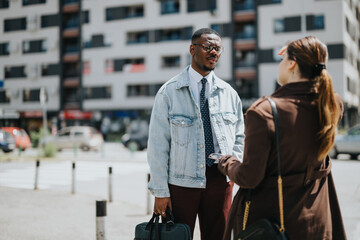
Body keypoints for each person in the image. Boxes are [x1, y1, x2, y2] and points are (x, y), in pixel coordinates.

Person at [217, 36, 347, 240]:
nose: (281, 64)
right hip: (318, 219)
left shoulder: (264, 112)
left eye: (283, 59)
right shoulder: (331, 104)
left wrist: (227, 162)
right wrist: (310, 54)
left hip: (276, 225)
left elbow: (249, 177)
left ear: (292, 64)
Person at [147, 28, 245, 240]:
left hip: (220, 180)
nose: (214, 52)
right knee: (178, 236)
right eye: (208, 47)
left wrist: (234, 171)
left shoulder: (230, 93)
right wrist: (160, 191)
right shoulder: (169, 92)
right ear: (192, 49)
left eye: (218, 48)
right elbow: (157, 145)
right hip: (181, 184)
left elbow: (240, 137)